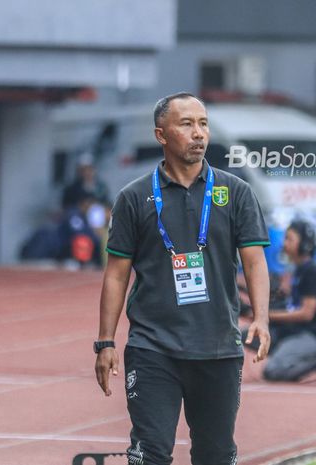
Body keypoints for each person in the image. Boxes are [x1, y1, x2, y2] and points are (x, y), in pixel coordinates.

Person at [94, 92, 271, 465]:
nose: (198, 134)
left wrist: (262, 317)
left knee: (215, 454)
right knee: (149, 453)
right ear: (161, 135)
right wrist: (105, 342)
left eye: (203, 124)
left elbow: (255, 262)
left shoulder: (236, 193)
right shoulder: (134, 197)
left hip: (219, 347)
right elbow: (116, 275)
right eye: (186, 124)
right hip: (153, 346)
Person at [243, 220, 316, 383]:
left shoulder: (312, 272)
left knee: (272, 372)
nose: (284, 243)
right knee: (245, 335)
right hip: (294, 332)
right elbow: (291, 306)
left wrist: (265, 316)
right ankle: (288, 354)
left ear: (304, 244)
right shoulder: (300, 271)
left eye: (289, 239)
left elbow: (306, 314)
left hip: (313, 336)